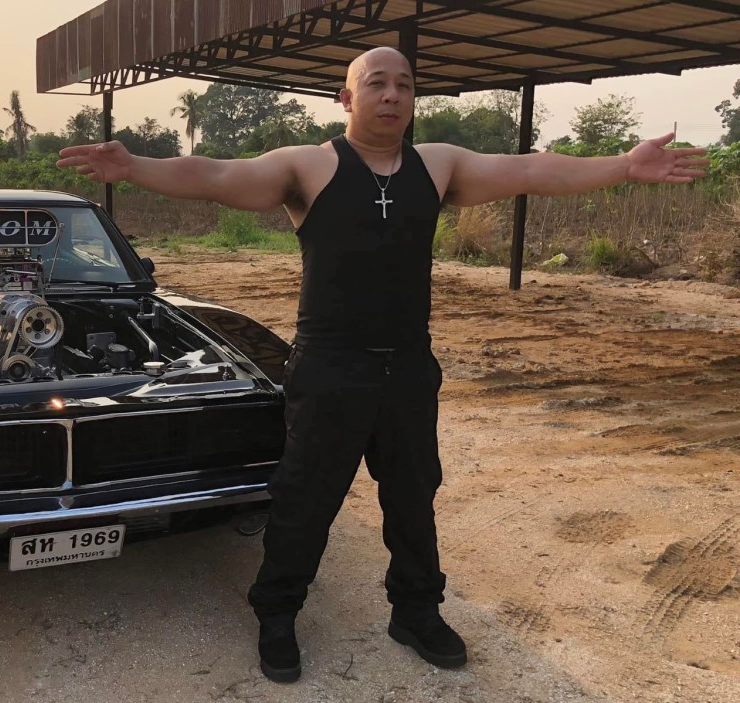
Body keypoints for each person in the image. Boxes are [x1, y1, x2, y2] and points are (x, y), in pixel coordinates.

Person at [56, 47, 708, 683]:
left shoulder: (440, 165)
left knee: (412, 498)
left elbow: (534, 170)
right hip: (330, 367)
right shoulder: (309, 167)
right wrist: (136, 164)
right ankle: (278, 614)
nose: (392, 93)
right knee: (304, 501)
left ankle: (417, 612)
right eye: (376, 83)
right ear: (347, 97)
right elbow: (218, 176)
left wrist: (623, 165)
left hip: (408, 369)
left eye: (403, 84)